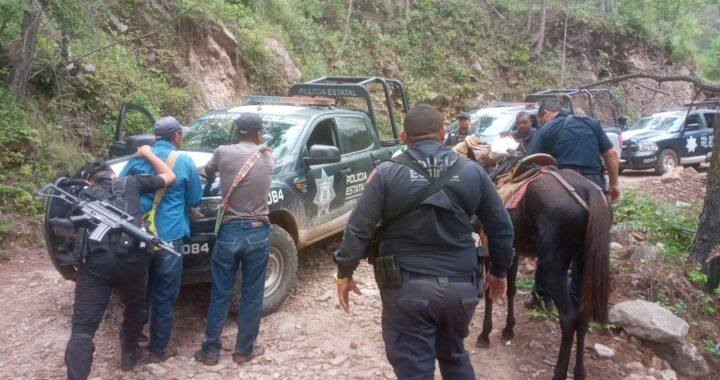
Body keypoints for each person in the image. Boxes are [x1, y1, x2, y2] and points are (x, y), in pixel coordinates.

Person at [333, 104, 515, 379]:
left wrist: (344, 273)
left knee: (414, 368)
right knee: (454, 355)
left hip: (407, 290)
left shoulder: (385, 173)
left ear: (404, 137)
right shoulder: (473, 172)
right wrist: (499, 271)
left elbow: (358, 227)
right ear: (444, 134)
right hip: (460, 290)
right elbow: (501, 227)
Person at [64, 147, 176, 380]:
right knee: (135, 306)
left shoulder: (83, 195)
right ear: (113, 174)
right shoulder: (131, 183)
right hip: (132, 260)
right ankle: (129, 352)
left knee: (82, 328)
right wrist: (146, 154)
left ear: (88, 181)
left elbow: (75, 225)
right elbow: (169, 176)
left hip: (95, 263)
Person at [522, 100, 620, 309]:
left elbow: (528, 161)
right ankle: (578, 299)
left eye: (541, 120)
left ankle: (542, 295)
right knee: (590, 247)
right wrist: (614, 185)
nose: (542, 123)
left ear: (547, 113)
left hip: (563, 185)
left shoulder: (548, 127)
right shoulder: (591, 122)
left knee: (547, 243)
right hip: (596, 187)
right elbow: (611, 154)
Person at [194, 113, 275, 365]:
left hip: (228, 231)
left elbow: (206, 174)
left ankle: (209, 351)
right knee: (252, 295)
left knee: (221, 292)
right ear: (259, 134)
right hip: (258, 232)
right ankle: (243, 350)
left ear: (237, 131)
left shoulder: (222, 152)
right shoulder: (268, 157)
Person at [120, 116, 202, 362]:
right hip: (170, 237)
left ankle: (129, 350)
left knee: (137, 294)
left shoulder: (138, 159)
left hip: (139, 235)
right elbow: (194, 199)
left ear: (155, 138)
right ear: (177, 136)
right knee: (164, 295)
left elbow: (120, 187)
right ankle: (157, 351)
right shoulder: (185, 161)